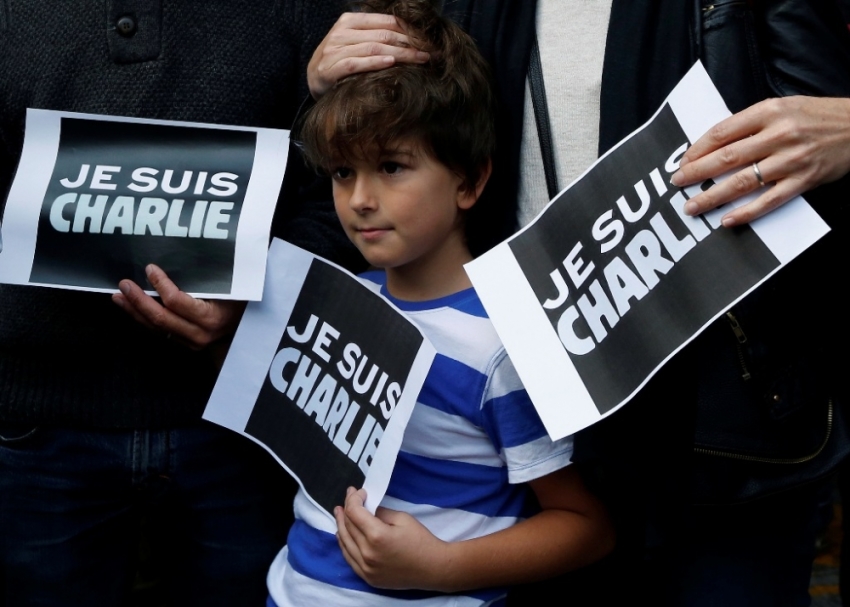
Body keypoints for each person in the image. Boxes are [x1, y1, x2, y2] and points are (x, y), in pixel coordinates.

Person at [307, 1, 850, 605]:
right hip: (542, 411)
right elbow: (400, 128)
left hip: (722, 431)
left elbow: (819, 143)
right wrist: (335, 78)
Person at [0, 2, 360, 605]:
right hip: (37, 422)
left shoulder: (311, 11)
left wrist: (259, 295)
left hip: (245, 421)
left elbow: (347, 190)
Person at [265, 1, 615, 605]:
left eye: (392, 167)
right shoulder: (340, 302)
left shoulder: (505, 346)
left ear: (470, 181)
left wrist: (444, 567)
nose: (360, 199)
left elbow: (588, 528)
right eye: (343, 173)